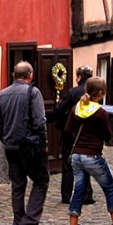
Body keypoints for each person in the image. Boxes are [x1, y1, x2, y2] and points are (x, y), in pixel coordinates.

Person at [63, 77, 113, 225]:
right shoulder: (100, 112)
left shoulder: (76, 108)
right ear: (101, 93)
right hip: (92, 155)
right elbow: (107, 136)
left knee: (79, 190)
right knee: (109, 187)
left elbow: (67, 131)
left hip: (76, 156)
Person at [0, 62, 50, 225]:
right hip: (30, 146)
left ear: (13, 75)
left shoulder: (2, 95)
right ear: (30, 75)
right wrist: (43, 142)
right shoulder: (33, 93)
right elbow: (40, 121)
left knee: (18, 186)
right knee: (41, 181)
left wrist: (6, 139)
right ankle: (28, 222)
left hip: (11, 147)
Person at [46, 65, 94, 204]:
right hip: (89, 134)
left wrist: (47, 118)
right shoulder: (95, 92)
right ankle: (87, 194)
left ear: (79, 77)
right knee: (86, 163)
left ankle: (67, 195)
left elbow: (60, 110)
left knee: (68, 164)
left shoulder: (73, 92)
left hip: (72, 133)